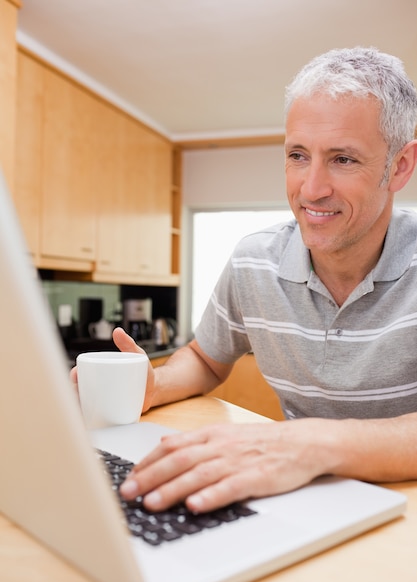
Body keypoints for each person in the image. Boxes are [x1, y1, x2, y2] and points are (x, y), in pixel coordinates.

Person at [73, 46, 417, 514]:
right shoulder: (253, 261)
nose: (310, 189)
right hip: (297, 498)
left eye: (343, 159)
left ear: (399, 166)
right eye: (298, 155)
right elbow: (205, 358)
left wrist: (310, 443)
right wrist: (157, 383)